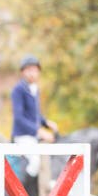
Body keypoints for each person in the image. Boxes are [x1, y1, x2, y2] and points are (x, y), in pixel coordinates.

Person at [11, 54, 58, 183]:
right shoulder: (18, 90)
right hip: (23, 135)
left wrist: (46, 123)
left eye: (35, 70)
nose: (32, 73)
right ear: (23, 72)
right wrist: (39, 131)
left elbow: (35, 114)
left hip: (33, 136)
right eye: (29, 70)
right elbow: (19, 117)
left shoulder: (35, 89)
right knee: (35, 161)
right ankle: (22, 194)